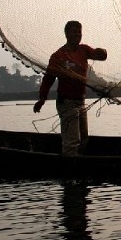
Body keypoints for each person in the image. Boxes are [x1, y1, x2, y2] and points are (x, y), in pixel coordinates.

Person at [34, 21, 107, 156]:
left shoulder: (83, 50)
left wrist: (102, 52)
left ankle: (78, 169)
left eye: (79, 32)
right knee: (72, 141)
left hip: (80, 102)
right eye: (74, 32)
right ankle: (68, 172)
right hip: (66, 103)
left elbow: (101, 56)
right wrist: (42, 99)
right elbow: (48, 78)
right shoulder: (58, 56)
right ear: (67, 34)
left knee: (84, 139)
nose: (77, 35)